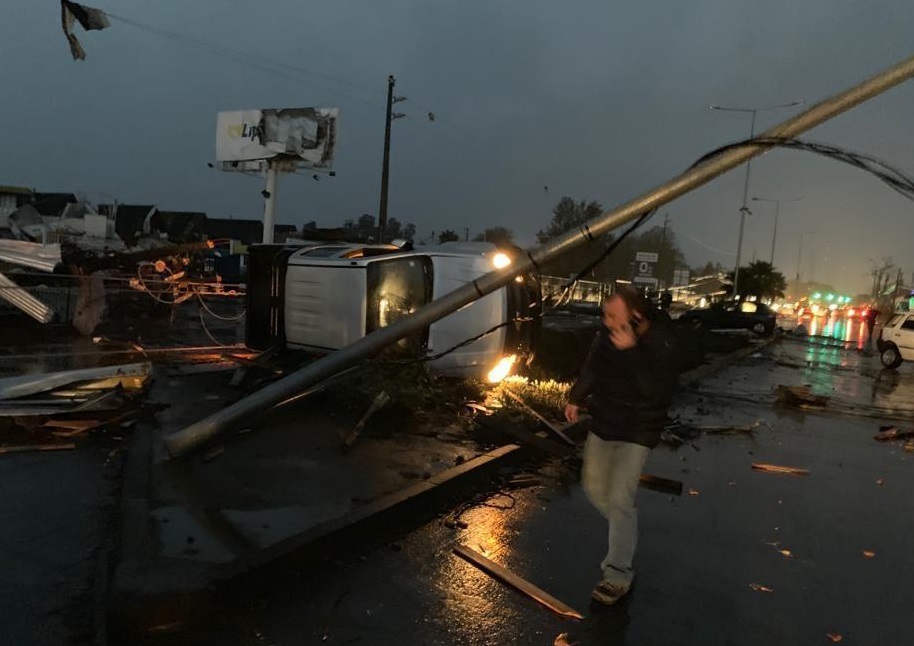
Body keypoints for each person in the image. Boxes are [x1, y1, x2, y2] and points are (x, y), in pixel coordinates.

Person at [564, 288, 677, 605]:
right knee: (595, 489)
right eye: (604, 314)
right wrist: (576, 397)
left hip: (639, 431)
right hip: (605, 423)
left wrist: (630, 352)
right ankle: (623, 526)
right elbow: (593, 368)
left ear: (636, 315)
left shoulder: (660, 341)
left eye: (613, 315)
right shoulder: (605, 335)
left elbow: (656, 393)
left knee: (619, 497)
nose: (606, 320)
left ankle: (616, 575)